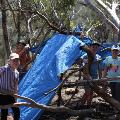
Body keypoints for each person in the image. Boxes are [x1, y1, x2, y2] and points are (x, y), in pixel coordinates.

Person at [80, 41, 101, 106]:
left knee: (91, 92)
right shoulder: (85, 56)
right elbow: (83, 67)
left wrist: (100, 78)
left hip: (95, 76)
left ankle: (88, 106)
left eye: (96, 47)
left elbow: (99, 68)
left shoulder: (98, 57)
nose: (95, 48)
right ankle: (81, 105)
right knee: (87, 92)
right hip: (87, 76)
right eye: (93, 46)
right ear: (90, 47)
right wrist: (86, 75)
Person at [0, 53, 20, 120]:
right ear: (9, 61)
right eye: (14, 60)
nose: (16, 62)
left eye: (17, 60)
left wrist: (16, 98)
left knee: (17, 111)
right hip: (2, 95)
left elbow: (16, 86)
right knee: (4, 113)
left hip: (11, 95)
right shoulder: (4, 69)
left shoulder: (17, 73)